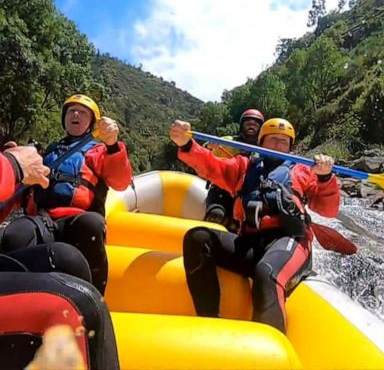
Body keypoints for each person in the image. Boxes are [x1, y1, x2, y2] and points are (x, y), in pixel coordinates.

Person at [170, 118, 340, 333]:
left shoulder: (303, 172)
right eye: (273, 140)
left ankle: (270, 350)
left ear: (291, 147)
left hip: (290, 241)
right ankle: (209, 321)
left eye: (284, 142)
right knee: (198, 238)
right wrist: (186, 145)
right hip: (252, 242)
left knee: (266, 272)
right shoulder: (244, 167)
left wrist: (325, 178)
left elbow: (328, 210)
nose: (279, 146)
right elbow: (211, 165)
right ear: (261, 143)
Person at [0, 94, 133, 295]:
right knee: (15, 233)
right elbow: (23, 191)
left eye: (83, 112)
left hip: (77, 218)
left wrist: (113, 144)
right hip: (43, 219)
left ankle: (95, 296)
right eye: (71, 111)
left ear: (91, 122)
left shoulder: (99, 151)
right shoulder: (46, 154)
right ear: (64, 117)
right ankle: (12, 296)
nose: (76, 114)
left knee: (92, 225)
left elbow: (121, 182)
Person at [204, 109, 264, 230]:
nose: (251, 127)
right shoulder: (228, 141)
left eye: (255, 124)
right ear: (242, 126)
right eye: (248, 124)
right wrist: (209, 146)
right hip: (222, 189)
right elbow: (205, 150)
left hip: (247, 192)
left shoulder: (265, 148)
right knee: (215, 216)